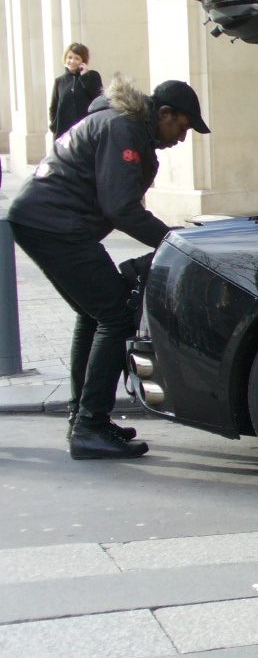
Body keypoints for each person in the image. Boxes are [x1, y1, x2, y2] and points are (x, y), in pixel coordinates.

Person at [6, 75, 210, 459]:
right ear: (163, 113)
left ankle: (83, 417)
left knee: (96, 313)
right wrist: (175, 242)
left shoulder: (119, 123)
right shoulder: (124, 129)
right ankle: (90, 425)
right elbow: (121, 209)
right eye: (181, 127)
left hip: (43, 221)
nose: (181, 138)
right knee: (116, 313)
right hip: (54, 224)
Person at [49, 42, 103, 137]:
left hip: (86, 131)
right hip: (64, 133)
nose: (72, 61)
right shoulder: (60, 81)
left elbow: (98, 98)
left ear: (83, 61)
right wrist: (54, 126)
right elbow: (53, 107)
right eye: (70, 57)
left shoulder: (92, 76)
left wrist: (85, 76)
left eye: (77, 58)